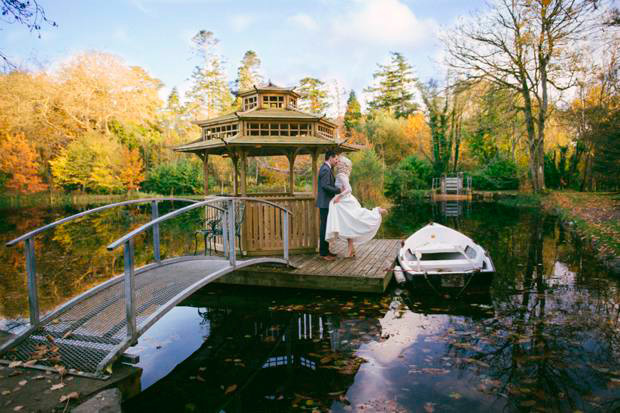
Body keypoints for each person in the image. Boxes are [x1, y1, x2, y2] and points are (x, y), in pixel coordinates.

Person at [325, 156, 387, 257]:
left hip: (343, 202)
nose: (337, 162)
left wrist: (338, 197)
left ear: (342, 164)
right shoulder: (343, 174)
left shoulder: (341, 175)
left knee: (351, 222)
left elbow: (349, 189)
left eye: (338, 161)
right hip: (343, 202)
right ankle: (351, 250)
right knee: (349, 224)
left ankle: (377, 211)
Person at [317, 150, 341, 261]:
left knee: (326, 227)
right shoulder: (325, 169)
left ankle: (326, 251)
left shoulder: (327, 169)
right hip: (324, 204)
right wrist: (338, 190)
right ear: (330, 158)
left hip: (327, 203)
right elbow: (325, 186)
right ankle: (323, 253)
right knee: (324, 228)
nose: (337, 161)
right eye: (336, 159)